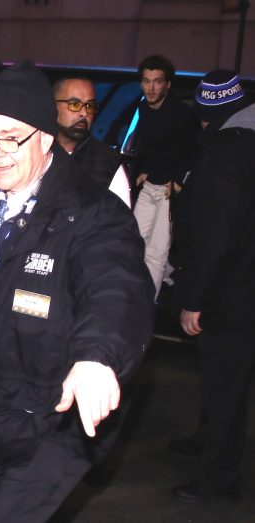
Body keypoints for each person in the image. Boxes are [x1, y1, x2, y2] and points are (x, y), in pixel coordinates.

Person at [0, 60, 155, 522]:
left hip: (57, 417)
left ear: (45, 137)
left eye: (10, 138)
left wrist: (97, 359)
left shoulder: (92, 212)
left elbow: (116, 288)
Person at [172, 70, 255, 503]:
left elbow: (215, 234)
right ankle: (208, 440)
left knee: (224, 386)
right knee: (228, 383)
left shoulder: (223, 152)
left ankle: (220, 478)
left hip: (230, 293)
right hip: (246, 285)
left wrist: (195, 299)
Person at [132, 55, 200, 299]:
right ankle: (143, 290)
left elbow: (195, 150)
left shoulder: (182, 114)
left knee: (156, 252)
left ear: (167, 84)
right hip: (150, 185)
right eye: (146, 81)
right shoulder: (143, 109)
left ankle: (147, 303)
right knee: (134, 242)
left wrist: (180, 181)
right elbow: (149, 145)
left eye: (157, 81)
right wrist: (144, 170)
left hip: (169, 191)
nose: (151, 87)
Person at [53, 77, 131, 206]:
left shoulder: (108, 163)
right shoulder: (33, 151)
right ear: (53, 106)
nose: (84, 113)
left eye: (89, 106)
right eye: (75, 104)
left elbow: (121, 217)